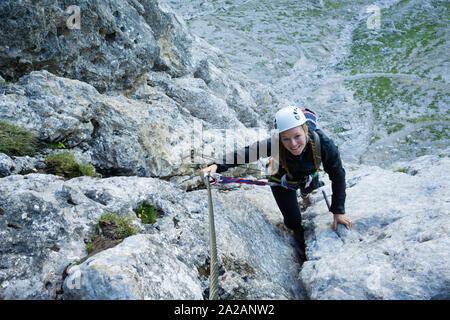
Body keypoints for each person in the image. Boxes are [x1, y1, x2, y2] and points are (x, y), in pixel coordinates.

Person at [199, 106, 354, 261]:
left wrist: (338, 211)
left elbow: (338, 176)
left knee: (311, 185)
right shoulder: (274, 143)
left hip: (308, 173)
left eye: (297, 136)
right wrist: (216, 165)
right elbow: (247, 153)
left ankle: (306, 192)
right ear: (280, 137)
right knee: (293, 222)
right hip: (282, 180)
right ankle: (299, 241)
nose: (293, 144)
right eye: (286, 138)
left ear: (306, 130)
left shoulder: (325, 145)